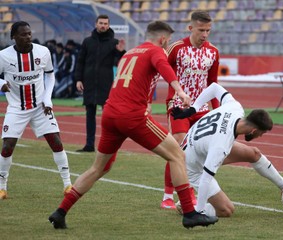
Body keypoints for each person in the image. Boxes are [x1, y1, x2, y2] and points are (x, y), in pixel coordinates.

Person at [48, 21, 218, 229]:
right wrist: (180, 91)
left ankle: (61, 211)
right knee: (177, 155)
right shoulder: (155, 51)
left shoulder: (129, 53)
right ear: (163, 39)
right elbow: (164, 67)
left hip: (110, 113)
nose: (168, 45)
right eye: (168, 41)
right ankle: (190, 213)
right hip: (131, 115)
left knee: (98, 168)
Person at [172, 82, 283, 217]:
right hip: (192, 165)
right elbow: (205, 178)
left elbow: (214, 88)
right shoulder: (221, 145)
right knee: (226, 210)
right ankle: (190, 207)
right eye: (261, 133)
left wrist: (194, 108)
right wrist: (199, 212)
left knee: (254, 153)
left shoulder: (235, 108)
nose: (261, 136)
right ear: (253, 130)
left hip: (200, 145)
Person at [0, 21, 72, 200]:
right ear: (13, 37)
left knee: (56, 141)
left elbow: (49, 74)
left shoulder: (43, 52)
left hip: (40, 107)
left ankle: (68, 185)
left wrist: (47, 99)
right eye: (23, 34)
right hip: (17, 108)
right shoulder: (3, 56)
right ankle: (2, 187)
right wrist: (2, 84)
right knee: (7, 146)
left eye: (29, 34)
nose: (28, 37)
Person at [161, 10, 220, 209]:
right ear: (191, 28)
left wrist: (216, 111)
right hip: (177, 106)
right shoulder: (176, 48)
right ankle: (167, 196)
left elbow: (213, 83)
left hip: (201, 109)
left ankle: (190, 193)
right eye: (201, 30)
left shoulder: (213, 52)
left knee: (200, 152)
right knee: (177, 148)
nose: (205, 34)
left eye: (208, 30)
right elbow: (159, 68)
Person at [75, 14, 126, 152]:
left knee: (107, 115)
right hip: (89, 82)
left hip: (106, 83)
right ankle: (89, 145)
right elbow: (81, 61)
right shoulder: (87, 42)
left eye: (105, 23)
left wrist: (121, 53)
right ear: (96, 24)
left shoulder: (114, 42)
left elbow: (119, 62)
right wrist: (79, 79)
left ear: (108, 25)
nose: (103, 25)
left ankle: (107, 145)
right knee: (89, 114)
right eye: (101, 23)